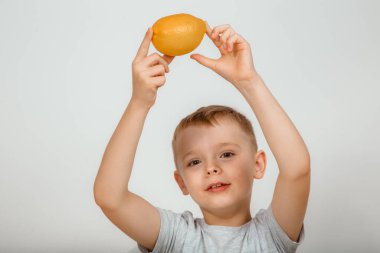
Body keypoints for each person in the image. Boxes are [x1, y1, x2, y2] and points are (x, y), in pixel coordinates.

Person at [93, 22, 311, 253]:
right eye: (194, 162)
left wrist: (248, 82)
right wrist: (139, 104)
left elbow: (297, 169)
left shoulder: (270, 236)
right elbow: (110, 198)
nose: (211, 168)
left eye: (226, 154)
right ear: (181, 181)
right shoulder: (176, 236)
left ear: (257, 165)